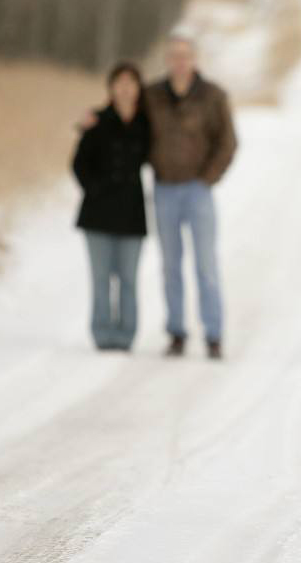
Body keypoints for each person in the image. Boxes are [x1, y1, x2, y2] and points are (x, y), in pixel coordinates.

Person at [142, 36, 237, 360]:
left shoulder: (212, 96)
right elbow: (134, 129)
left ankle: (214, 334)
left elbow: (228, 142)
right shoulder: (152, 96)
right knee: (170, 265)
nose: (180, 62)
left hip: (198, 191)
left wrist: (208, 178)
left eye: (185, 56)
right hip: (165, 189)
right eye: (174, 56)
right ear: (167, 60)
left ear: (194, 59)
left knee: (205, 264)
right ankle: (176, 332)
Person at [72, 62, 151, 351]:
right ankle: (102, 333)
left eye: (131, 83)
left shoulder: (147, 123)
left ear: (139, 88)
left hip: (132, 214)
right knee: (101, 278)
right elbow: (79, 164)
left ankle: (126, 334)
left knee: (128, 279)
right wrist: (94, 189)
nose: (125, 89)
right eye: (120, 82)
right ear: (111, 87)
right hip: (98, 213)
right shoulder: (97, 120)